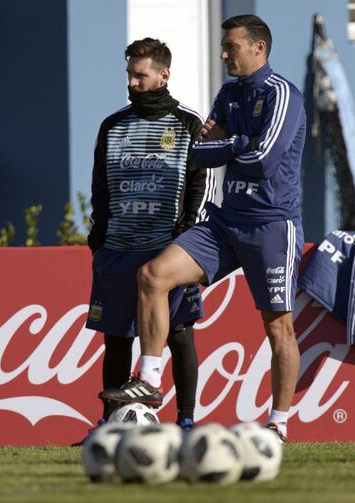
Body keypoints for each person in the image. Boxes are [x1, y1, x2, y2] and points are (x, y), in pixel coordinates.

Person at [100, 15, 306, 444]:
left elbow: (264, 162)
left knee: (277, 328)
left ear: (258, 48)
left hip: (271, 225)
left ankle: (278, 424)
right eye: (222, 46)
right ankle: (150, 380)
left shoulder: (282, 93)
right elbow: (198, 153)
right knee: (153, 276)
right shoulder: (229, 93)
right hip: (225, 222)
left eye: (230, 47)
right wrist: (237, 145)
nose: (223, 54)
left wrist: (230, 143)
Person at [81, 37, 215, 439]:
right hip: (118, 249)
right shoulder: (112, 125)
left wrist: (185, 235)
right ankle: (109, 425)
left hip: (167, 250)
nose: (133, 82)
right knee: (117, 339)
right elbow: (99, 187)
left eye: (140, 75)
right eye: (129, 74)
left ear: (163, 75)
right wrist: (99, 238)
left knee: (178, 333)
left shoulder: (188, 122)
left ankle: (187, 422)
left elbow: (200, 183)